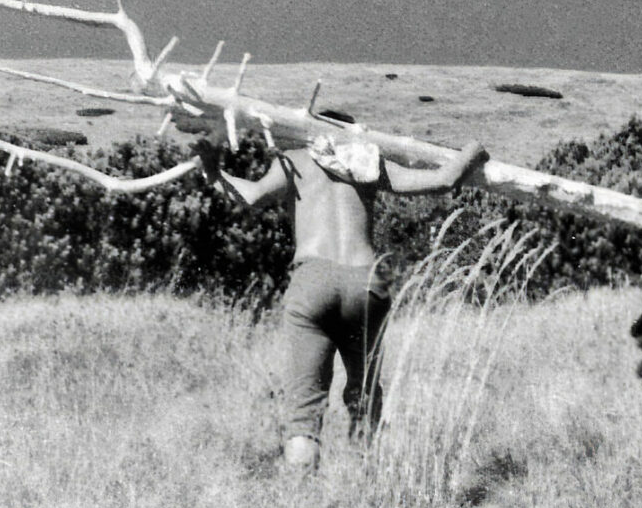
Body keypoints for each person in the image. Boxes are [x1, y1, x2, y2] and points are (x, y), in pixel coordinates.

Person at [194, 129, 488, 468]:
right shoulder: (368, 162)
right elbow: (444, 179)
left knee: (304, 414)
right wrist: (475, 148)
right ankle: (363, 486)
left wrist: (213, 171)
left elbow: (250, 195)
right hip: (366, 283)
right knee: (365, 395)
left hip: (313, 279)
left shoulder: (295, 161)